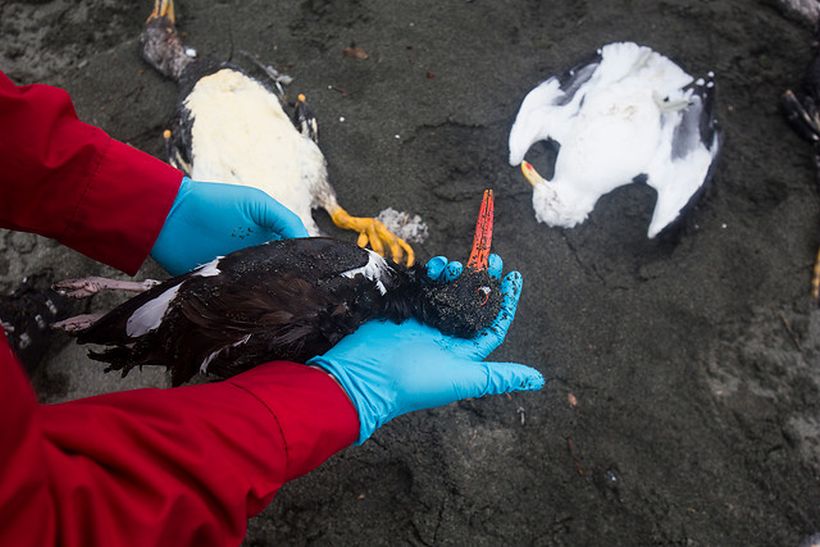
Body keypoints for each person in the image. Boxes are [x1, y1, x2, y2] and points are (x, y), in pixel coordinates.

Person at [0, 71, 544, 546]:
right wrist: (333, 400)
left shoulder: (358, 277)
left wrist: (146, 202)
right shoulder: (361, 277)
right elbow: (66, 516)